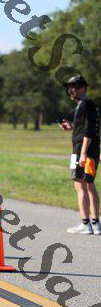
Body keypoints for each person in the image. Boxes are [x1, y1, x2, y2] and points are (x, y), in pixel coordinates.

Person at [59, 75, 101, 234]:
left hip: (82, 151)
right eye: (69, 87)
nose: (71, 90)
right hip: (91, 149)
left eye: (74, 87)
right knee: (89, 185)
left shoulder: (85, 104)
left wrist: (82, 153)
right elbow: (86, 128)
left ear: (83, 88)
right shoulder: (88, 105)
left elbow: (88, 132)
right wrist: (71, 127)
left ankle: (85, 224)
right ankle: (95, 224)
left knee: (80, 185)